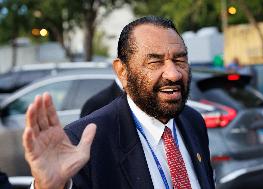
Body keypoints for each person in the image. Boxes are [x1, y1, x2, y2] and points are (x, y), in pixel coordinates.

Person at [23, 16, 215, 189]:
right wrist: (48, 186)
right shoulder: (83, 142)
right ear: (122, 72)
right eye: (155, 62)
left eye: (179, 60)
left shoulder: (193, 121)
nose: (174, 74)